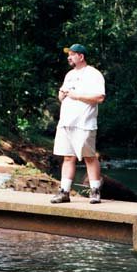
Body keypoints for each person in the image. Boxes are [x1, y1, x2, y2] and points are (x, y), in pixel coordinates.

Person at [51, 43, 105, 204]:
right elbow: (62, 97)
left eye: (72, 54)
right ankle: (64, 192)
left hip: (84, 123)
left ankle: (95, 192)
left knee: (89, 157)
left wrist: (76, 95)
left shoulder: (94, 74)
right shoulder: (69, 75)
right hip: (66, 123)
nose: (69, 57)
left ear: (81, 57)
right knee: (68, 158)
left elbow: (100, 98)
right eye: (69, 54)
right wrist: (62, 95)